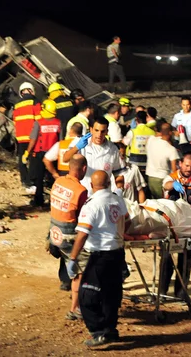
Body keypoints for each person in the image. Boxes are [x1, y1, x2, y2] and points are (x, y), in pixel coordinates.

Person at [67, 170, 130, 347]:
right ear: (109, 183)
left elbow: (82, 235)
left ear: (92, 186)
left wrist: (73, 258)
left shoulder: (92, 205)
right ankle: (110, 330)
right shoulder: (117, 199)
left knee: (87, 296)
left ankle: (99, 331)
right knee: (111, 296)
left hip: (100, 257)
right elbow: (128, 221)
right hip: (117, 254)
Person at [48, 154, 89, 315]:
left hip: (54, 233)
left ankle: (67, 283)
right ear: (84, 169)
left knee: (69, 264)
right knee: (81, 271)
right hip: (69, 236)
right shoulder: (81, 191)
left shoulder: (58, 182)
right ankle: (75, 308)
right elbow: (82, 218)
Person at [160, 153, 191, 298]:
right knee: (167, 259)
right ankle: (162, 292)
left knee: (186, 258)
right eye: (186, 165)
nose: (189, 169)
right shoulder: (171, 177)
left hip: (188, 222)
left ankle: (181, 292)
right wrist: (174, 185)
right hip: (170, 222)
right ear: (180, 164)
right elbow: (166, 185)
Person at [63, 117, 124, 194]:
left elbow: (119, 174)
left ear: (107, 132)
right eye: (96, 130)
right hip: (82, 193)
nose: (99, 135)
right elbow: (65, 159)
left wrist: (119, 191)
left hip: (102, 196)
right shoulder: (80, 141)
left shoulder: (113, 149)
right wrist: (77, 147)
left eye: (102, 131)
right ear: (91, 130)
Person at [24, 99, 61, 207]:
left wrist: (27, 152)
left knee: (39, 178)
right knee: (53, 177)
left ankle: (38, 200)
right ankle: (54, 201)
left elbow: (33, 140)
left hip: (39, 154)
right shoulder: (58, 123)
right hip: (53, 154)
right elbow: (61, 139)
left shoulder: (38, 123)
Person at [11, 82, 41, 191]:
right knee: (33, 159)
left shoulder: (16, 104)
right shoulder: (35, 102)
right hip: (32, 137)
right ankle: (32, 181)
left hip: (20, 137)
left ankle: (24, 180)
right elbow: (39, 120)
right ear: (32, 90)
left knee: (22, 159)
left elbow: (15, 121)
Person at [145, 122, 179, 198]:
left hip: (150, 178)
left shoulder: (151, 140)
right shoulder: (171, 149)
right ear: (170, 133)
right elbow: (174, 171)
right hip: (162, 179)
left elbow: (155, 135)